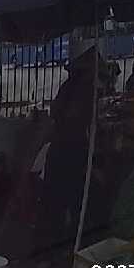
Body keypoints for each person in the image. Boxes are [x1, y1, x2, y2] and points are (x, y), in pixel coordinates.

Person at [38, 38, 102, 253]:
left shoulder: (72, 87)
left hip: (64, 149)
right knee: (69, 200)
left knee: (58, 203)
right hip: (70, 150)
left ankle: (57, 247)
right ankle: (65, 248)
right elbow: (74, 119)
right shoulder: (81, 89)